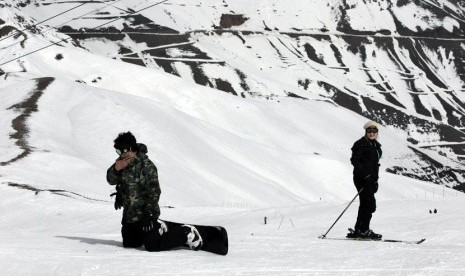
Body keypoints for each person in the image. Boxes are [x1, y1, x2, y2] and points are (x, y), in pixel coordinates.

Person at [106, 131, 203, 251]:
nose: (119, 154)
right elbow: (110, 180)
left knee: (153, 246)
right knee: (130, 244)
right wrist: (116, 169)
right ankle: (159, 229)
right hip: (130, 215)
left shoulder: (146, 166)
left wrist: (149, 214)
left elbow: (154, 192)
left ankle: (186, 233)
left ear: (129, 149)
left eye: (120, 151)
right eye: (117, 151)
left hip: (145, 214)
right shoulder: (121, 164)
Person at [347, 121, 383, 239]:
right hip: (361, 178)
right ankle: (364, 230)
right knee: (369, 204)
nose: (372, 133)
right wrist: (365, 175)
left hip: (370, 179)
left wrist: (374, 180)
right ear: (366, 132)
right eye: (369, 131)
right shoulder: (360, 144)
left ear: (377, 133)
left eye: (374, 131)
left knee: (365, 204)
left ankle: (359, 229)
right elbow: (354, 161)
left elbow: (374, 164)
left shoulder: (375, 145)